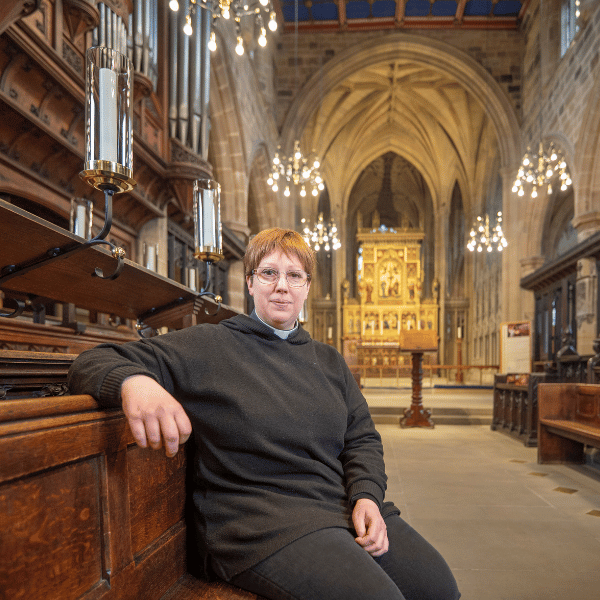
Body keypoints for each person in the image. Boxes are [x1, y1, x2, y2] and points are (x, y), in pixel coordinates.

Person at [68, 228, 460, 600]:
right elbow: (91, 361)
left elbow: (362, 440)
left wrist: (368, 497)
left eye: (294, 275)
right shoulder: (211, 344)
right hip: (259, 521)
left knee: (438, 588)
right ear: (250, 282)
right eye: (269, 273)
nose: (281, 286)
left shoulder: (329, 361)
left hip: (338, 506)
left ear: (307, 286)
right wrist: (135, 382)